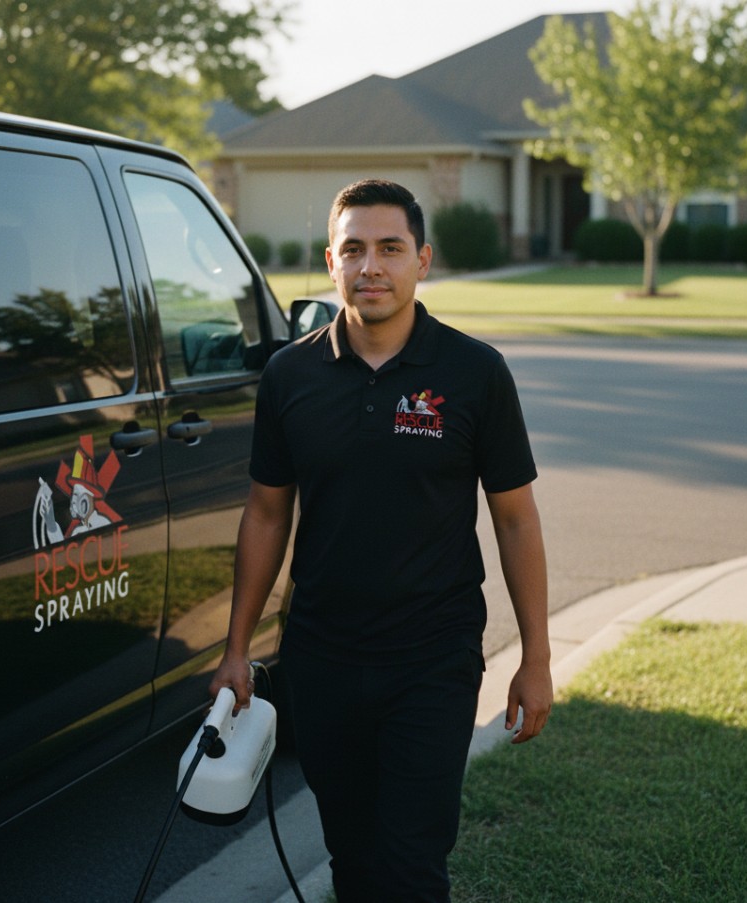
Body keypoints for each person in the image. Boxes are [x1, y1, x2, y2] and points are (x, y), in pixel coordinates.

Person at [210, 179, 551, 902]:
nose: (372, 266)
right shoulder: (289, 375)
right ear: (330, 260)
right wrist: (237, 648)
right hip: (323, 656)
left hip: (433, 656)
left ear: (421, 260)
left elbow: (515, 518)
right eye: (355, 249)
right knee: (352, 858)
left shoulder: (474, 373)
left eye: (390, 248)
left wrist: (536, 657)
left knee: (411, 863)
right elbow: (267, 514)